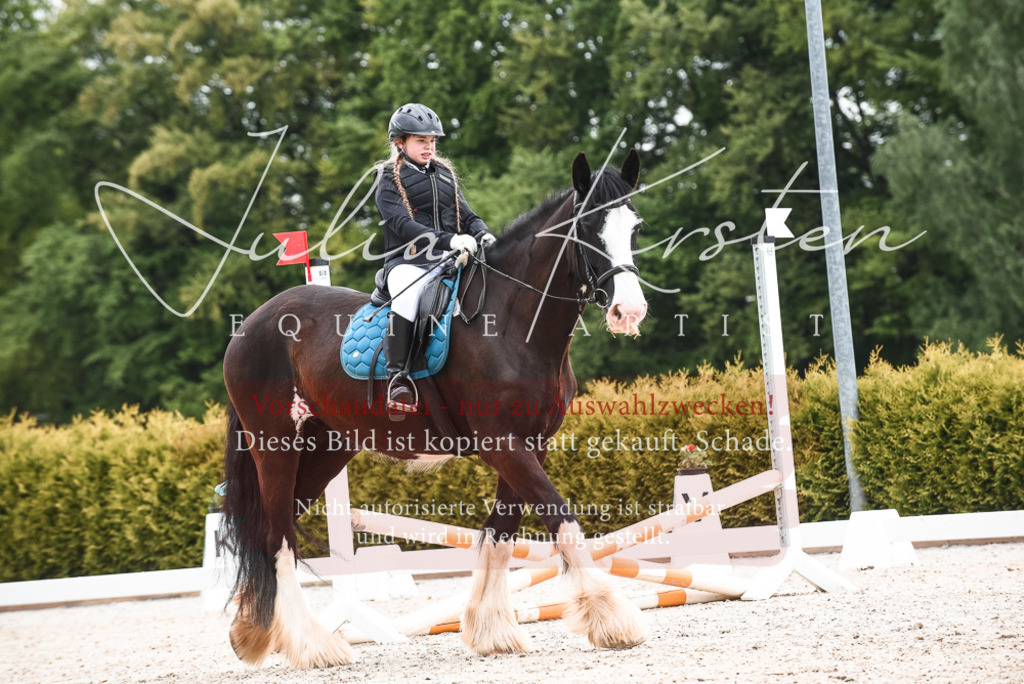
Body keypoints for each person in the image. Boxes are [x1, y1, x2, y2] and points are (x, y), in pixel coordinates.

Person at [374, 103, 496, 420]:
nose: (429, 147)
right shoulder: (387, 178)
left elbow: (468, 216)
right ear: (399, 142)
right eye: (421, 140)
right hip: (406, 262)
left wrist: (482, 234)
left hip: (450, 256)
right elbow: (404, 226)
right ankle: (398, 379)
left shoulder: (444, 174)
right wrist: (450, 240)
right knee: (409, 296)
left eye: (432, 141)